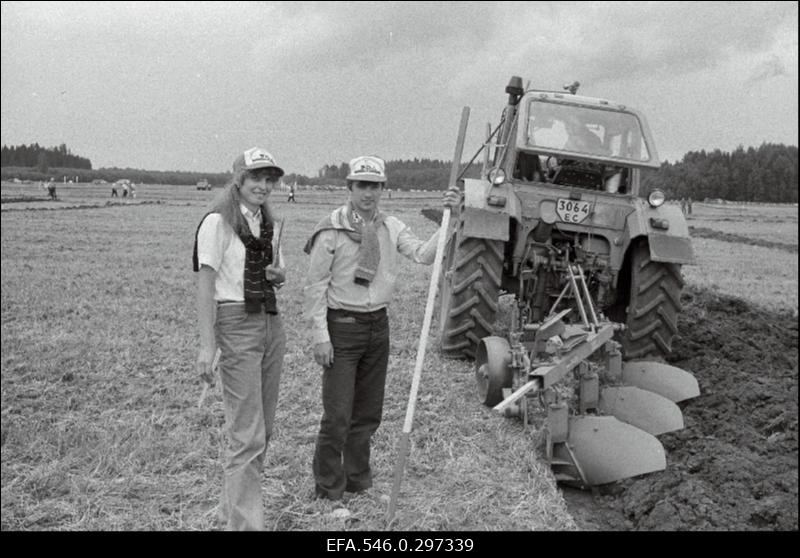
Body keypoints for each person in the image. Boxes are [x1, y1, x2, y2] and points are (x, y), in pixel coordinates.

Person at [302, 155, 461, 502]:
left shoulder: (391, 227)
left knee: (368, 414)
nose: (368, 194)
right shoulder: (331, 229)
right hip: (341, 326)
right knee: (338, 416)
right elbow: (315, 287)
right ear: (350, 188)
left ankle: (357, 483)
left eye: (374, 186)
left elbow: (422, 254)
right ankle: (329, 491)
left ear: (382, 190)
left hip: (378, 328)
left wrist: (450, 220)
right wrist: (320, 337)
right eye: (362, 185)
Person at [193, 146, 287, 530]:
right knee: (246, 434)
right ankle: (246, 526)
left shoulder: (269, 225)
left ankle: (231, 513)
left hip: (270, 322)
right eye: (255, 178)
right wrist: (206, 345)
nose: (263, 186)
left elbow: (280, 273)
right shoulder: (217, 223)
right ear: (238, 180)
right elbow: (205, 285)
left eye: (269, 179)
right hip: (235, 323)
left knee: (262, 428)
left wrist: (277, 275)